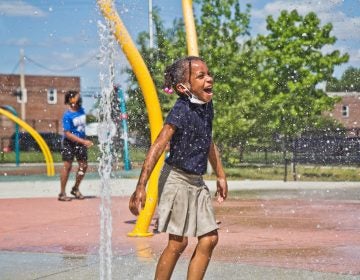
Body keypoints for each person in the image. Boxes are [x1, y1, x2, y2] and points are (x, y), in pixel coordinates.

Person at [129, 56, 228, 279]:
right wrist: (141, 185)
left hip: (196, 181)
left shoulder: (206, 106)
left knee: (210, 238)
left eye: (208, 73)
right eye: (201, 76)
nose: (209, 79)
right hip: (176, 177)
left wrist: (220, 174)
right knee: (178, 242)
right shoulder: (181, 110)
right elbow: (159, 145)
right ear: (184, 87)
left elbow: (207, 140)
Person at [58, 90, 93, 201]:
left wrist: (84, 139)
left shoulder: (82, 111)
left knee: (84, 166)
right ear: (71, 100)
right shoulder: (67, 115)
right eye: (77, 97)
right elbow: (67, 134)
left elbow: (81, 128)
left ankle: (75, 188)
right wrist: (83, 141)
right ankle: (62, 193)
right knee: (67, 166)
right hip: (69, 143)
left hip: (81, 142)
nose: (79, 98)